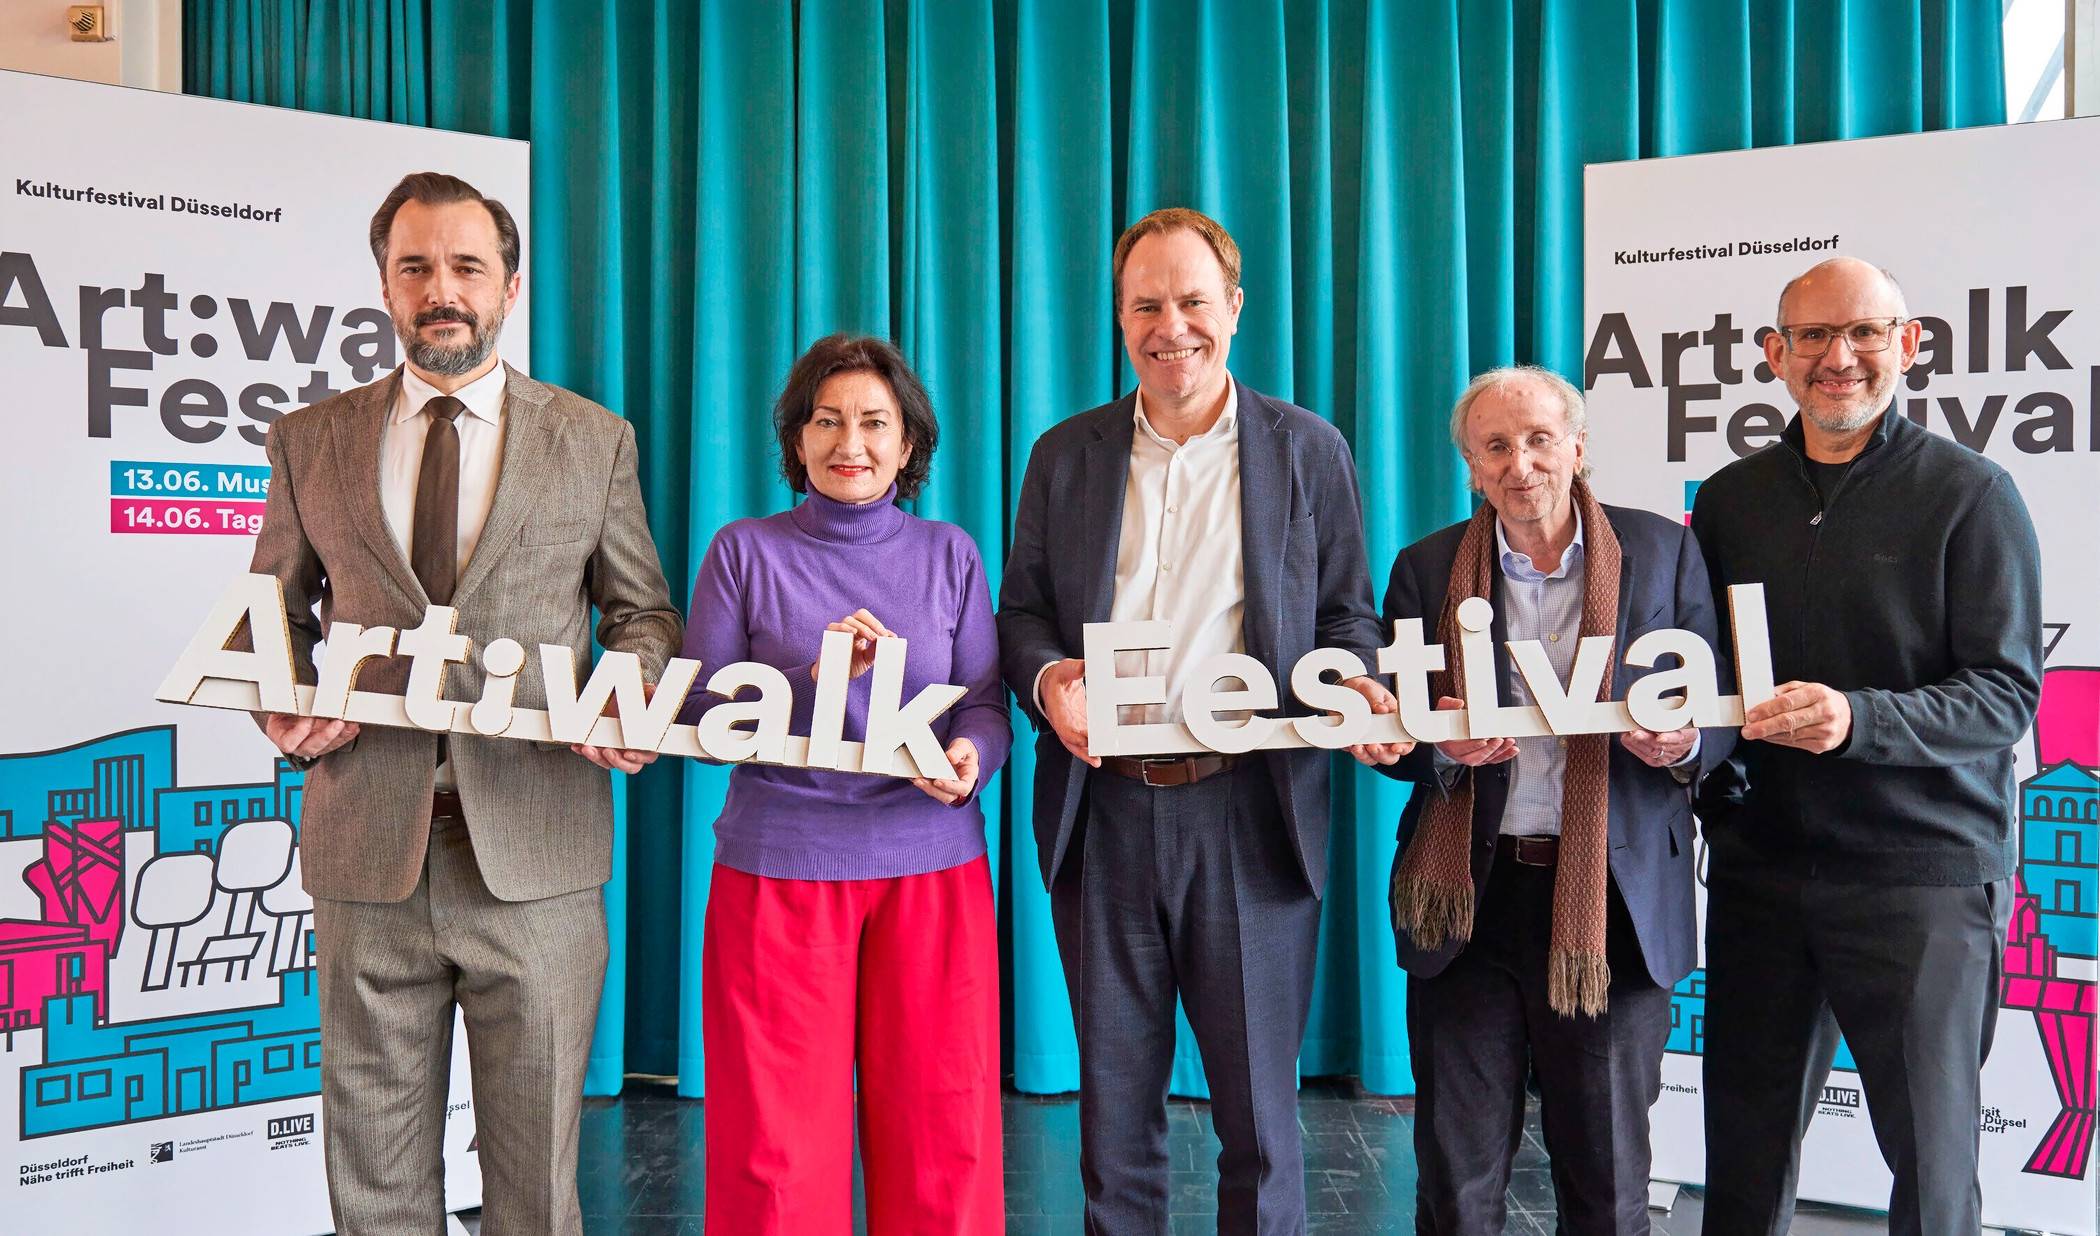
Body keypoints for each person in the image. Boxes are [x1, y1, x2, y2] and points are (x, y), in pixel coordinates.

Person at [245, 171, 682, 1234]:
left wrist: (630, 701)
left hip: (536, 854)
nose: (442, 289)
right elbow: (272, 615)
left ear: (510, 286)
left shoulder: (593, 438)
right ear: (386, 288)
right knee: (374, 1190)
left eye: (466, 267)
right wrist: (279, 702)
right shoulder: (312, 440)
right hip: (367, 853)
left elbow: (643, 616)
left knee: (533, 1193)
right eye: (416, 267)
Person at [998, 206, 1400, 1232]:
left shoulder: (1306, 448)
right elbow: (1026, 612)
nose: (1169, 324)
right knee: (1114, 1123)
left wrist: (1350, 682)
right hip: (1106, 816)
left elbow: (1348, 611)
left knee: (1260, 1127)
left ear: (1234, 307)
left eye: (1190, 300)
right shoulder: (1066, 455)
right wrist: (1050, 685)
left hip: (1252, 815)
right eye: (1145, 305)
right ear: (1120, 318)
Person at [1690, 257, 2042, 1235]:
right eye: (1812, 337)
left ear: (1908, 345)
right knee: (1744, 1160)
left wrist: (1860, 720)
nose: (1838, 358)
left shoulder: (1973, 496)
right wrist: (1710, 789)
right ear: (1775, 354)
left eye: (1865, 334)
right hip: (1762, 877)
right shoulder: (1729, 502)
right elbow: (1709, 678)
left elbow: (2006, 696)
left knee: (1933, 1170)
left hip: (1919, 878)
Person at [1363, 366, 1728, 1234]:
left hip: (1614, 903)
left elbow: (1719, 706)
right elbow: (1388, 737)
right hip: (1469, 905)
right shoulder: (1423, 570)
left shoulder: (1663, 550)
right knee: (1457, 1177)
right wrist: (1434, 746)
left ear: (1577, 446)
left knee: (1606, 1177)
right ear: (1471, 467)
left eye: (1538, 439)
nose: (1520, 463)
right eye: (1495, 446)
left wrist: (1683, 744)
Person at [681, 334, 1010, 1234]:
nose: (849, 443)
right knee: (773, 1148)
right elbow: (700, 719)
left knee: (945, 1130)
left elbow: (986, 702)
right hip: (778, 870)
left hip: (931, 868)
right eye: (827, 421)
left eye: (875, 422)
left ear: (909, 447)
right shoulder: (742, 552)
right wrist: (823, 678)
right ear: (796, 440)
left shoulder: (950, 554)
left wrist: (975, 758)